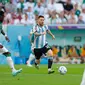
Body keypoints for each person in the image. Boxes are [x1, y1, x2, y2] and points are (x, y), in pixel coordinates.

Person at [0, 5, 22, 76]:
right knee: (7, 53)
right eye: (2, 16)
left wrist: (5, 35)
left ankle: (13, 70)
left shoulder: (0, 23)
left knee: (7, 53)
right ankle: (13, 70)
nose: (3, 18)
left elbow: (1, 30)